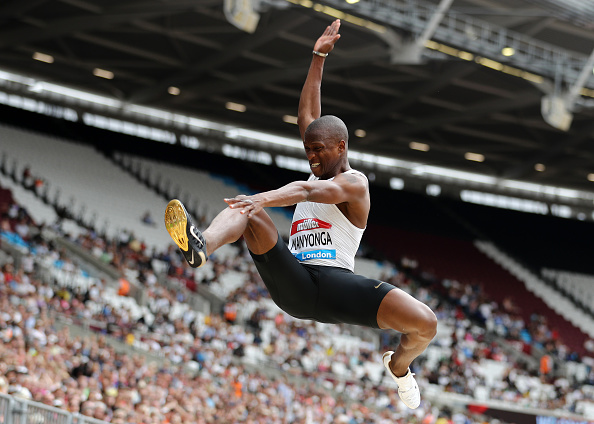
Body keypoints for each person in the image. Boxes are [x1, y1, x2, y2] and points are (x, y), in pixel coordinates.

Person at [164, 19, 437, 410]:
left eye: (319, 151)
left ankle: (399, 366)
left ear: (341, 147)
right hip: (293, 280)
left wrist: (265, 197)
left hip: (335, 287)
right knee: (247, 211)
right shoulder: (319, 155)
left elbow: (308, 190)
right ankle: (201, 244)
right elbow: (309, 112)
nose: (311, 158)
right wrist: (318, 57)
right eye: (308, 151)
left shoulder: (354, 183)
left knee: (426, 323)